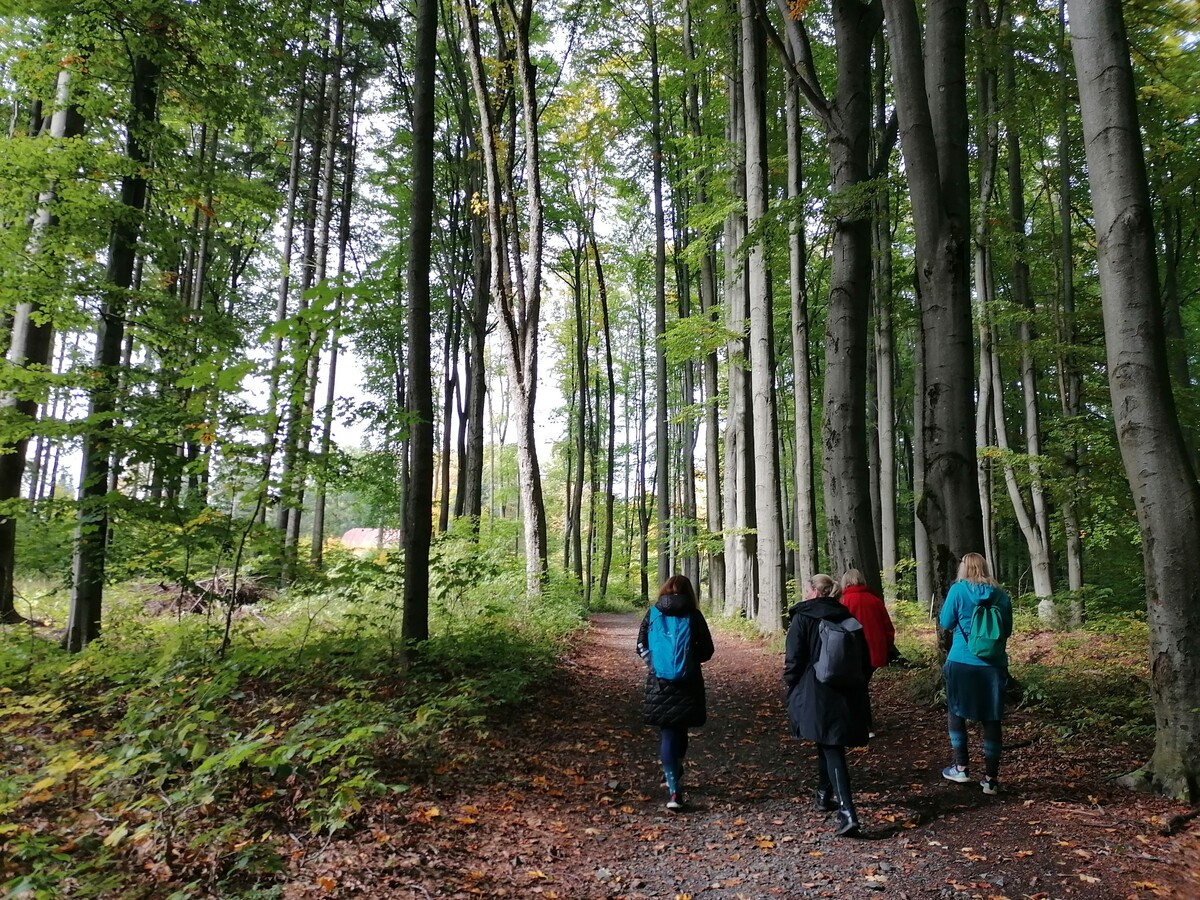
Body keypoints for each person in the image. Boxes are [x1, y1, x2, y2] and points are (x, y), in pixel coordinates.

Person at [784, 574, 872, 836]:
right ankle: (823, 794)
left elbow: (794, 658)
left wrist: (792, 685)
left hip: (816, 688)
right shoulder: (848, 618)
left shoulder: (804, 617)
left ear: (813, 592)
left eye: (807, 589)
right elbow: (865, 659)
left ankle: (847, 812)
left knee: (832, 747)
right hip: (847, 690)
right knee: (827, 740)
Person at [636, 574, 714, 811]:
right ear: (689, 593)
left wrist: (656, 664)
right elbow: (708, 650)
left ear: (665, 590)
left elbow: (640, 645)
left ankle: (673, 789)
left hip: (660, 683)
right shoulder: (694, 615)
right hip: (688, 682)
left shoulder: (653, 613)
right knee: (681, 730)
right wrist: (689, 661)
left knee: (668, 731)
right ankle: (675, 773)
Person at [938, 552, 1013, 795]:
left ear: (964, 569)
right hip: (994, 665)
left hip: (961, 660)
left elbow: (946, 622)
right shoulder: (1001, 594)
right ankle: (990, 779)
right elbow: (1007, 630)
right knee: (992, 718)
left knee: (956, 711)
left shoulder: (958, 591)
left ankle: (961, 767)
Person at [839, 569, 897, 673]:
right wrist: (886, 646)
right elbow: (888, 628)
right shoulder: (875, 600)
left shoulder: (843, 601)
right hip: (874, 649)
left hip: (851, 650)